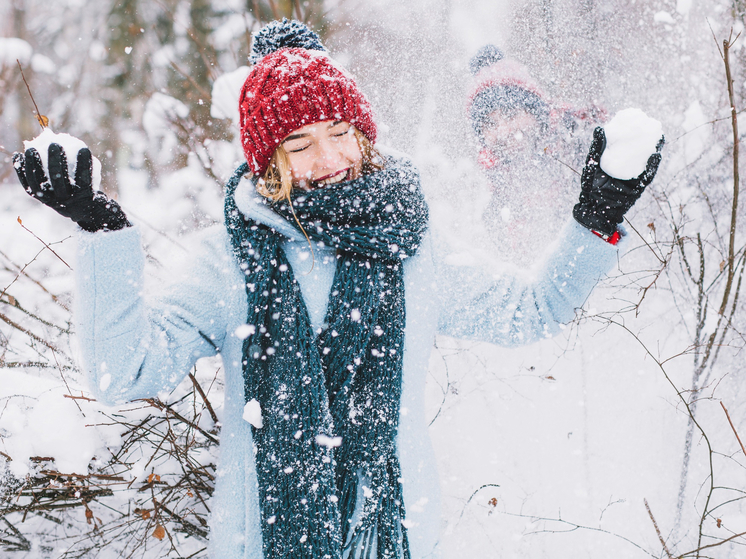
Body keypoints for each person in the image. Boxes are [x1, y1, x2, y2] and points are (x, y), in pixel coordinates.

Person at [12, 19, 662, 559]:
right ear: (267, 159)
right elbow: (124, 370)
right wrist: (103, 232)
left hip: (399, 538)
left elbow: (532, 311)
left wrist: (595, 219)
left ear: (363, 135)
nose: (328, 159)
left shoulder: (412, 246)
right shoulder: (227, 260)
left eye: (339, 134)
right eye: (298, 143)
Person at [468, 45, 606, 266]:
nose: (503, 132)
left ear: (536, 113)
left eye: (511, 115)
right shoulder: (498, 190)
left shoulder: (583, 141)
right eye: (490, 124)